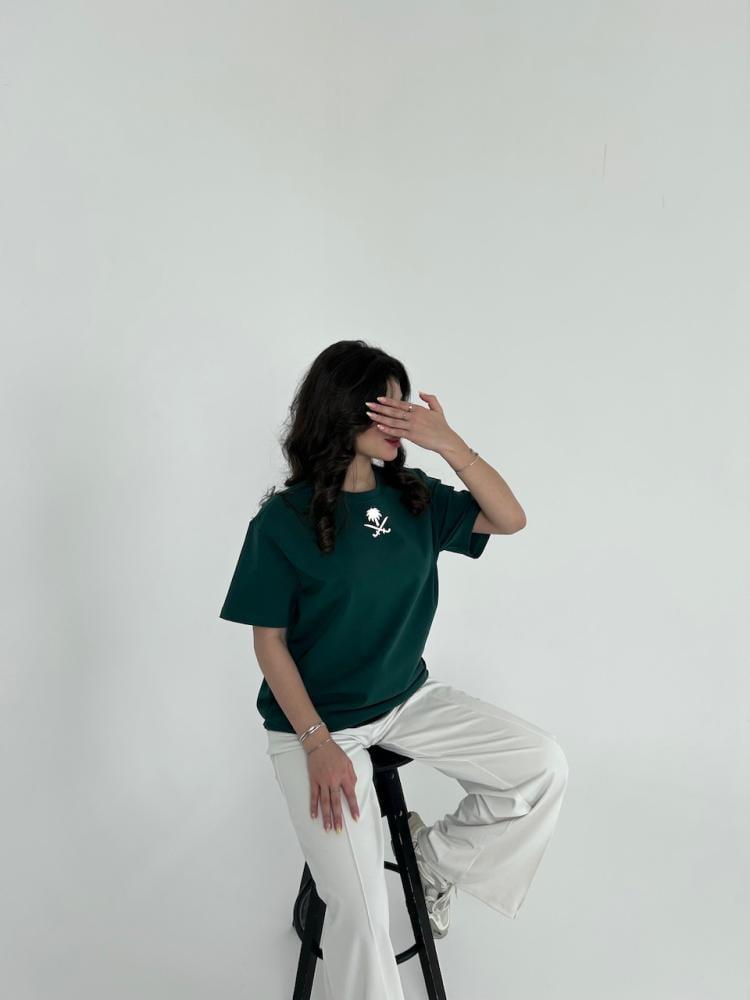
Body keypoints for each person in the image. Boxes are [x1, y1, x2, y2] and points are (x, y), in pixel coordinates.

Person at [219, 339, 569, 1000]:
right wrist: (317, 743)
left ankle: (431, 864)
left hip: (404, 699)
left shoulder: (413, 499)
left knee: (541, 766)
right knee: (360, 916)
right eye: (385, 404)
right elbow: (270, 645)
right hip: (317, 724)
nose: (401, 418)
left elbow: (510, 518)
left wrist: (449, 443)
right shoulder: (281, 522)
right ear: (343, 411)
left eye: (404, 403)